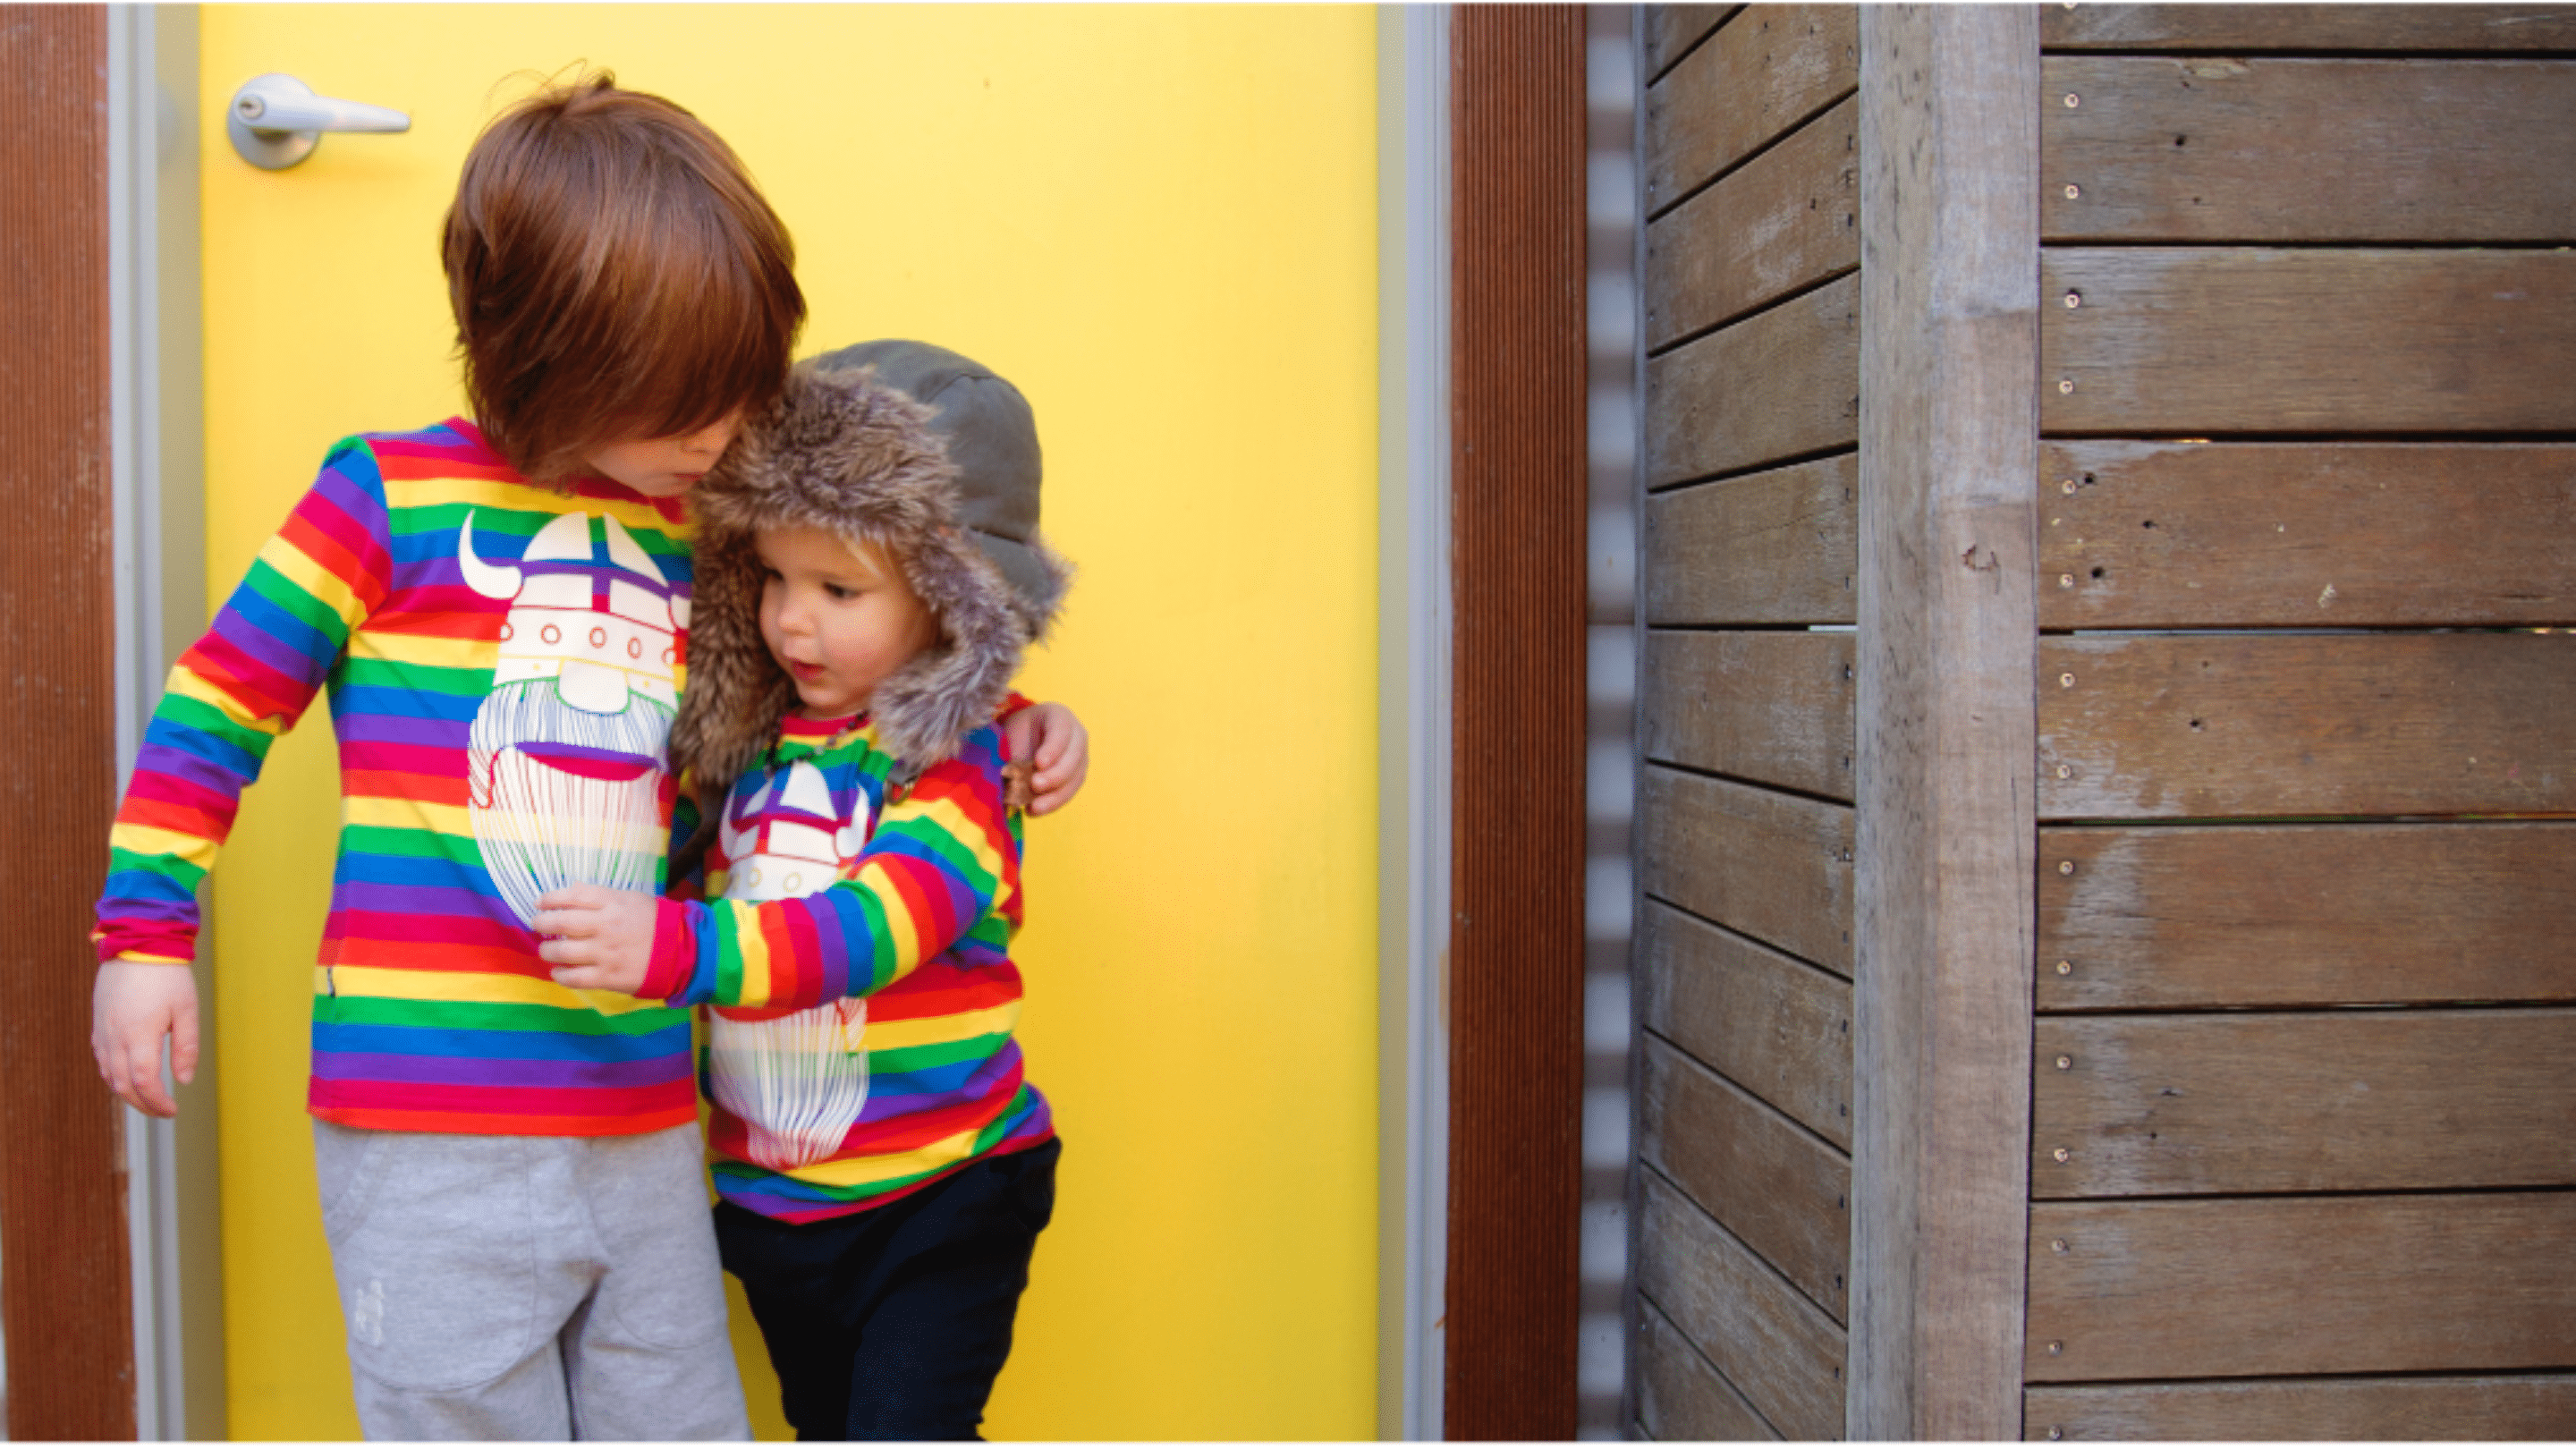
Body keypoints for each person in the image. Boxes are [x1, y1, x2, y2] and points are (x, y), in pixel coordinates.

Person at [87, 80, 1085, 1440]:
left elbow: (846, 684)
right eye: (687, 400)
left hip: (644, 1112)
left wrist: (1004, 715)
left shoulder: (714, 533)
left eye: (742, 386)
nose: (725, 428)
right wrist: (145, 937)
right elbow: (217, 706)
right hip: (425, 1108)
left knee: (675, 1421)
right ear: (543, 360)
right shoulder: (385, 500)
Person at [538, 340, 1068, 1441]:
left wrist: (676, 951)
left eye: (838, 588)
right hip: (782, 1215)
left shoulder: (955, 765)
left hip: (943, 1197)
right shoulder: (750, 744)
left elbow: (876, 928)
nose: (791, 620)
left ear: (946, 595)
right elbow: (656, 846)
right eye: (770, 577)